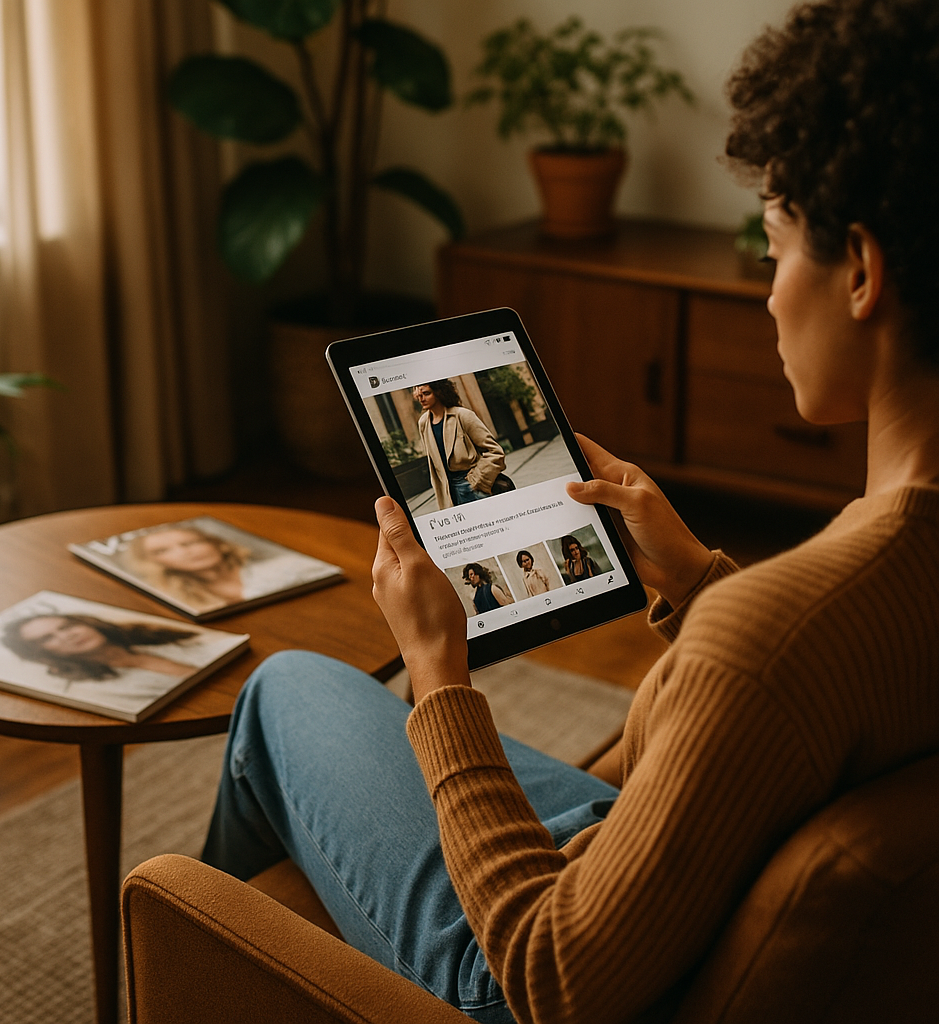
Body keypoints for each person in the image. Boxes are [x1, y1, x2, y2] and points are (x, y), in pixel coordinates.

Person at [200, 3, 939, 1022]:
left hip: (529, 963)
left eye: (772, 246)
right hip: (663, 891)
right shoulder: (858, 586)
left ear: (859, 270)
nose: (769, 295)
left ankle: (203, 949)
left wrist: (436, 669)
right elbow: (822, 683)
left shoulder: (763, 641)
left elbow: (546, 982)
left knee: (281, 688)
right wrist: (698, 583)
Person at [2, 613, 198, 682]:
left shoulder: (157, 638)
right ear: (40, 653)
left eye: (67, 626)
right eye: (47, 638)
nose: (68, 635)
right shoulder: (102, 686)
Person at [125, 523, 258, 613]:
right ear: (151, 562)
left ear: (215, 543)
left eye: (190, 543)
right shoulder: (168, 599)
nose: (184, 552)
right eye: (162, 551)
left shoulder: (268, 570)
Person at [414, 380, 507, 509]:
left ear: (439, 392)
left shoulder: (462, 415)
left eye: (426, 393)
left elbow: (494, 451)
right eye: (419, 395)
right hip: (448, 492)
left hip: (473, 484)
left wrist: (478, 480)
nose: (422, 399)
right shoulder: (423, 423)